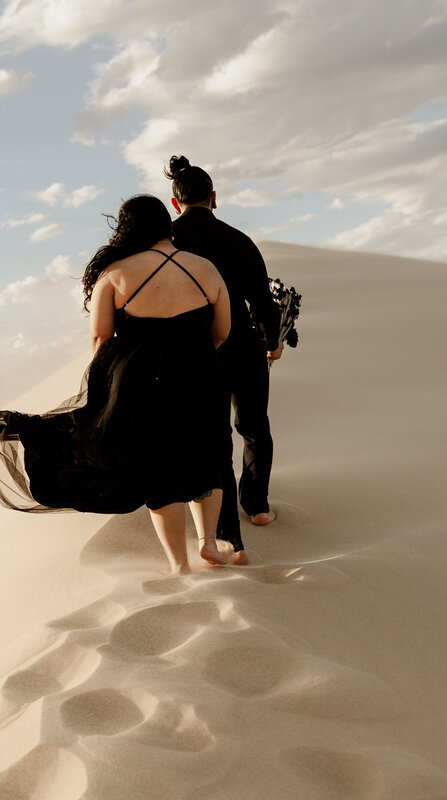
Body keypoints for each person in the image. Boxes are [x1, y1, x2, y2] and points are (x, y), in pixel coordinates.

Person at [0, 194, 246, 573]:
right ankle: (208, 544)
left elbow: (101, 339)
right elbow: (222, 331)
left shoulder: (116, 274)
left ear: (128, 228)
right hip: (202, 375)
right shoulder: (206, 269)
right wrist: (192, 357)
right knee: (206, 453)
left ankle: (179, 565)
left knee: (161, 467)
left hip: (141, 383)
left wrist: (115, 380)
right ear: (167, 223)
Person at [165, 155, 283, 554]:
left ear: (175, 201)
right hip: (245, 346)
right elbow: (263, 301)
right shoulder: (240, 240)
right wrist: (272, 340)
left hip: (198, 353)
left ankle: (228, 534)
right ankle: (259, 506)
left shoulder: (167, 243)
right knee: (254, 427)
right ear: (214, 197)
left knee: (214, 438)